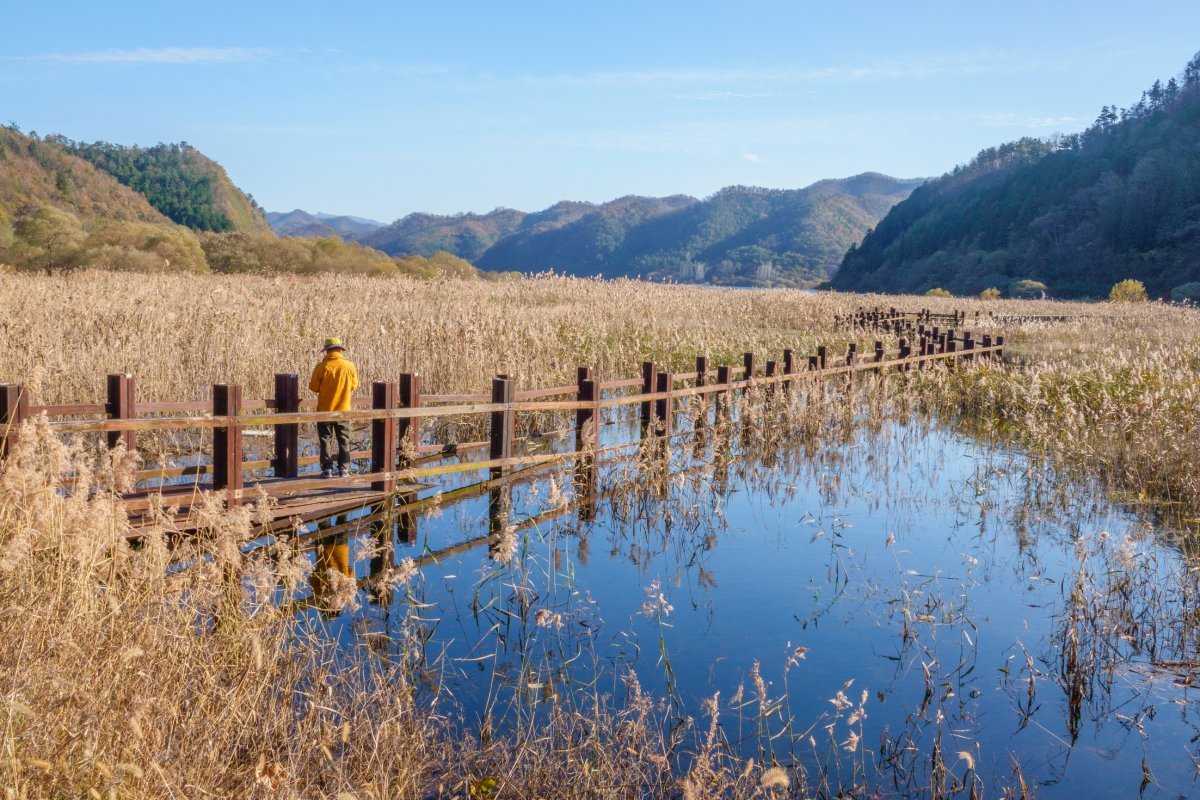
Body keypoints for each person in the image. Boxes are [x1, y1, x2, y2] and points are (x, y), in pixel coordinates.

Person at [309, 336, 359, 477]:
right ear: (340, 350)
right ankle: (343, 468)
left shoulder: (321, 367)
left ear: (327, 351)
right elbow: (354, 385)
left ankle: (327, 469)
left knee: (325, 440)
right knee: (344, 440)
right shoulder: (350, 366)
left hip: (325, 410)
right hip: (343, 410)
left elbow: (313, 387)